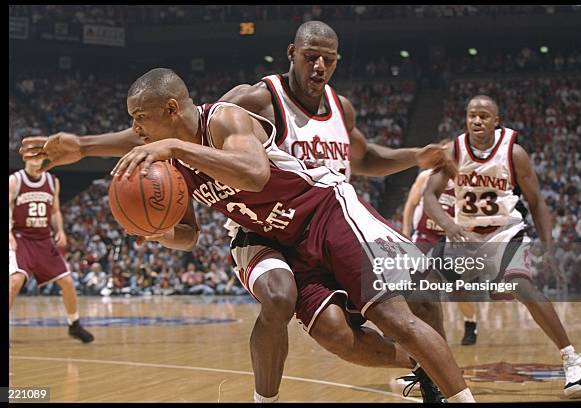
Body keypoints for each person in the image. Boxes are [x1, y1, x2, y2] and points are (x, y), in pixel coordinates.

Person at [21, 22, 448, 402]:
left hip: (325, 219)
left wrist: (414, 155)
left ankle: (431, 374)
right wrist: (84, 145)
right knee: (297, 307)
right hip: (260, 227)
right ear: (291, 55)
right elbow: (170, 126)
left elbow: (366, 157)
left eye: (329, 59)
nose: (320, 66)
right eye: (311, 56)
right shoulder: (249, 100)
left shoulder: (341, 107)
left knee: (418, 298)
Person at [422, 94, 581, 398]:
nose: (476, 121)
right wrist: (449, 226)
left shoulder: (514, 153)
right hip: (466, 236)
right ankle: (430, 370)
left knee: (521, 286)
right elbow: (430, 196)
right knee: (424, 287)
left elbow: (537, 202)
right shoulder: (453, 151)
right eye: (472, 115)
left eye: (484, 116)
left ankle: (572, 359)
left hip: (504, 232)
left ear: (496, 120)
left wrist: (549, 247)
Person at [9, 158, 94, 344]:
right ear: (24, 157)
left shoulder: (52, 181)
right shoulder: (15, 180)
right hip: (21, 238)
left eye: (39, 153)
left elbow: (55, 211)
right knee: (15, 281)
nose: (36, 157)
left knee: (67, 281)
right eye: (31, 153)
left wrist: (60, 230)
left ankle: (74, 324)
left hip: (43, 239)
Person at [402, 168, 478, 346]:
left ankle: (471, 323)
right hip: (423, 236)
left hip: (449, 239)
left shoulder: (465, 183)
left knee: (459, 289)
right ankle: (400, 326)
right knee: (407, 282)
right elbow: (411, 204)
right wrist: (405, 231)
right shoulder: (426, 177)